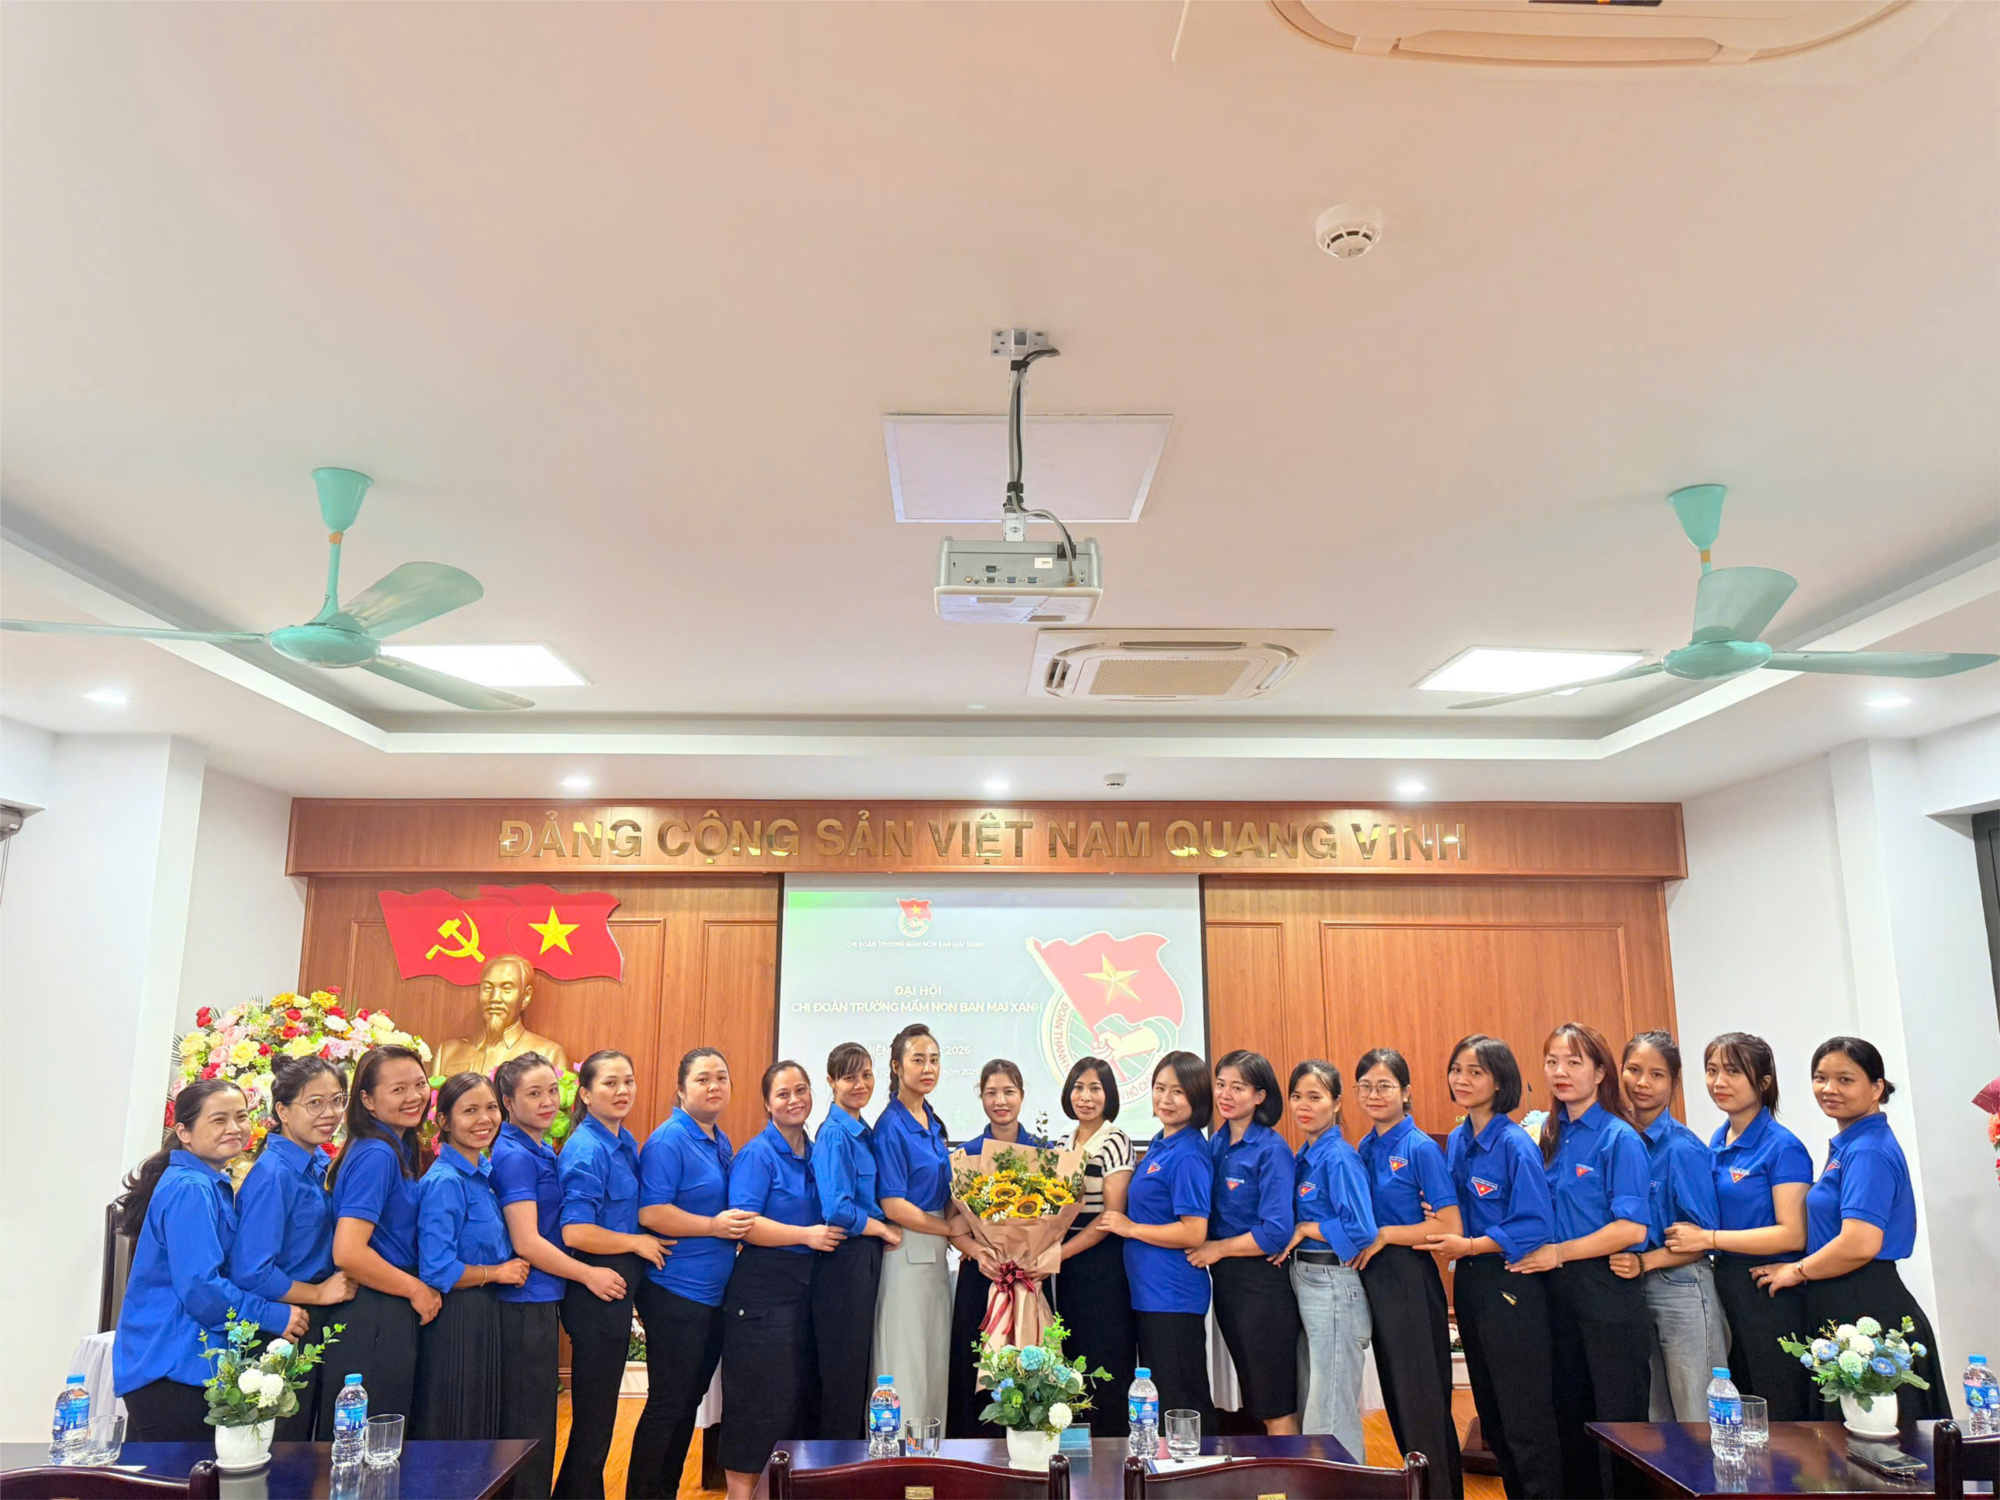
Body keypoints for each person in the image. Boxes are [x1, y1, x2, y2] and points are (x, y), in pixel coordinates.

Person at [1748, 1036, 1946, 1422]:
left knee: (1874, 1439)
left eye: (1845, 1079)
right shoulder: (1852, 1143)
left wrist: (1796, 1270)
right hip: (1840, 1298)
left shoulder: (1868, 1149)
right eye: (1820, 1078)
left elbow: (1859, 1243)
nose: (1829, 1089)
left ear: (1876, 1088)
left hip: (1865, 1303)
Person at [114, 1079, 312, 1441]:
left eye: (241, 1117)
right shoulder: (191, 1188)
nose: (234, 1128)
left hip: (181, 1364)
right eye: (219, 1120)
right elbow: (201, 1288)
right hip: (173, 1366)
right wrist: (274, 1315)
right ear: (183, 1132)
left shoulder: (205, 1182)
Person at [1515, 1024, 1650, 1500]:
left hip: (1605, 1290)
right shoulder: (1551, 1135)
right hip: (1556, 1294)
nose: (1561, 1072)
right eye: (1552, 1061)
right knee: (1570, 1419)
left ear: (1599, 1073)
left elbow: (1631, 1229)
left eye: (1574, 1063)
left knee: (1617, 1425)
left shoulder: (1618, 1137)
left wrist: (1559, 1253)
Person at [1426, 1035, 1561, 1500]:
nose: (1462, 1079)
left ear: (1500, 1081)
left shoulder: (1514, 1144)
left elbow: (1535, 1223)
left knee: (1525, 1420)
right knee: (1493, 1417)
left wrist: (1469, 1243)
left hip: (1511, 1283)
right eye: (1456, 1069)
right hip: (1470, 1281)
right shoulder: (1458, 1139)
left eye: (1476, 1072)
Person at [493, 1052, 626, 1500]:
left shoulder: (539, 1148)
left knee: (539, 1426)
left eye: (552, 1090)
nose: (548, 1101)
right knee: (527, 1429)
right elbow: (527, 1241)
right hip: (524, 1302)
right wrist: (588, 1274)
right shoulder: (514, 1155)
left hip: (542, 1298)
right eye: (534, 1094)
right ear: (508, 1102)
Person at [1663, 1032, 1813, 1420]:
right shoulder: (1718, 1138)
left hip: (1768, 1290)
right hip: (1726, 1283)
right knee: (1737, 1406)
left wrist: (1707, 1238)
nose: (1719, 1082)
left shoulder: (1783, 1146)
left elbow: (1793, 1232)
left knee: (1778, 1406)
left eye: (1733, 1071)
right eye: (1712, 1070)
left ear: (1763, 1081)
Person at [721, 1061, 846, 1500]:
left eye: (801, 1090)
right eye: (783, 1093)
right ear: (766, 1103)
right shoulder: (757, 1154)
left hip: (804, 1291)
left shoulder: (816, 1151)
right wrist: (805, 1235)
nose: (795, 1100)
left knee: (794, 1404)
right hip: (762, 1294)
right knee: (757, 1406)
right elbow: (744, 1225)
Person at [553, 1050, 672, 1500]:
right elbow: (576, 1231)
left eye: (629, 1081)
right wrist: (636, 1243)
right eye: (610, 1083)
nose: (623, 1091)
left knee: (598, 1421)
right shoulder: (587, 1148)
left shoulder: (623, 1141)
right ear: (585, 1094)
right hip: (597, 1284)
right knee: (594, 1421)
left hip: (619, 1281)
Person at [227, 1055, 358, 1441]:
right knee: (277, 1445)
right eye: (314, 1103)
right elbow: (251, 1271)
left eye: (337, 1100)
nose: (330, 1113)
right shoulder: (274, 1174)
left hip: (307, 1319)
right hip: (281, 1326)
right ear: (282, 1111)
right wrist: (318, 1293)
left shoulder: (313, 1163)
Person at [1352, 1047, 1463, 1500]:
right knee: (1399, 1403)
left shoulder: (1420, 1148)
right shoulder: (1365, 1147)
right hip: (1376, 1279)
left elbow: (1449, 1226)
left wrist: (1385, 1235)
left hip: (1410, 1279)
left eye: (1385, 1086)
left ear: (1406, 1092)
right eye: (1365, 1086)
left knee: (1422, 1406)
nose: (1374, 1094)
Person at [635, 1049, 746, 1500]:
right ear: (681, 1089)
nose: (713, 1086)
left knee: (687, 1403)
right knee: (668, 1405)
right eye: (702, 1079)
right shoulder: (668, 1141)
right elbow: (652, 1212)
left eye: (721, 1077)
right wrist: (713, 1226)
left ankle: (664, 1491)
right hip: (675, 1293)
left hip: (712, 1295)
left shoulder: (718, 1138)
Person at [1097, 1050, 1216, 1431]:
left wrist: (1131, 1228)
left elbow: (1194, 1231)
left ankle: (1201, 1467)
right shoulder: (1162, 1143)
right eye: (1160, 1088)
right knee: (1161, 1400)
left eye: (1178, 1091)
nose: (1166, 1099)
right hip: (1149, 1294)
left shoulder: (1189, 1155)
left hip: (1173, 1295)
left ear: (1197, 1098)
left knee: (1182, 1400)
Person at [324, 1044, 437, 1437]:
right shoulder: (377, 1154)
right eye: (398, 1089)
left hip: (386, 1304)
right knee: (370, 1444)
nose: (414, 1096)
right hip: (374, 1313)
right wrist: (416, 1289)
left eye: (419, 1084)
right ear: (368, 1100)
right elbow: (348, 1251)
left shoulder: (396, 1146)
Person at [1616, 1031, 1730, 1422]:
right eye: (1634, 1070)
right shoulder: (1618, 1139)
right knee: (1657, 1416)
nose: (1642, 1083)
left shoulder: (1682, 1147)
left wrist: (1645, 1263)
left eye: (1657, 1075)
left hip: (1680, 1283)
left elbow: (1704, 1237)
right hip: (1633, 1283)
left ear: (1674, 1083)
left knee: (1697, 1411)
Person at [412, 1073, 529, 1440]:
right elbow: (437, 1269)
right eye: (470, 1111)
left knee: (479, 1425)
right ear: (443, 1121)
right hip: (455, 1319)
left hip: (483, 1313)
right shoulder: (445, 1181)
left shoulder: (483, 1174)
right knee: (455, 1427)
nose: (484, 1119)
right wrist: (497, 1273)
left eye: (491, 1108)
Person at [1190, 1050, 1299, 1434]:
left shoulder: (1271, 1149)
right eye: (1221, 1084)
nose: (1225, 1094)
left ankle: (1287, 1473)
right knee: (1254, 1399)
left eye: (1238, 1087)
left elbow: (1276, 1231)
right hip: (1228, 1284)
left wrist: (1217, 1249)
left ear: (1260, 1096)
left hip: (1261, 1286)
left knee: (1274, 1403)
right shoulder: (1215, 1142)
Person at [1273, 1059, 1375, 1464]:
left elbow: (1362, 1230)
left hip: (1332, 1282)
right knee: (1315, 1399)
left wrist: (1307, 1228)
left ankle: (1346, 1487)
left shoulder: (1339, 1157)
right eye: (1297, 1096)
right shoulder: (1305, 1154)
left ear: (1336, 1102)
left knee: (1330, 1410)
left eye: (1315, 1097)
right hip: (1308, 1281)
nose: (1303, 1105)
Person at [947, 1058, 1050, 1437]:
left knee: (1030, 1368)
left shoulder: (1045, 1152)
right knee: (976, 1368)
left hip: (1029, 1279)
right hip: (983, 1278)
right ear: (980, 1096)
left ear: (1022, 1095)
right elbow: (954, 1227)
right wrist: (979, 1253)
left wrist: (1035, 1258)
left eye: (1009, 1092)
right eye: (991, 1092)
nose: (1000, 1101)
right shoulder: (966, 1155)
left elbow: (1055, 1224)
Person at [871, 1023, 963, 1431]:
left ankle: (930, 1453)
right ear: (896, 1066)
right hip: (907, 1251)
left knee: (933, 1361)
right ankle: (898, 1456)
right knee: (905, 1364)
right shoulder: (891, 1125)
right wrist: (950, 1230)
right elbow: (893, 1204)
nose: (928, 1068)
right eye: (918, 1060)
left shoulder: (931, 1120)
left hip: (935, 1254)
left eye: (934, 1060)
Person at [810, 1041, 901, 1438]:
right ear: (831, 1081)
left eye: (866, 1075)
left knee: (860, 1369)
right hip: (846, 1261)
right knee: (843, 1375)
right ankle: (837, 1465)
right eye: (849, 1077)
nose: (860, 1084)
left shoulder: (863, 1131)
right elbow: (837, 1209)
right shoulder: (835, 1134)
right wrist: (882, 1228)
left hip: (864, 1256)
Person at [1051, 1056, 1137, 1438]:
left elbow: (1110, 1217)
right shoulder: (1062, 1142)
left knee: (1104, 1356)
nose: (1085, 1097)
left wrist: (1061, 1253)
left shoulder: (1115, 1141)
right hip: (1066, 1264)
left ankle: (1112, 1448)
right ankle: (1075, 1448)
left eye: (1095, 1089)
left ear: (1109, 1095)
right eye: (1079, 1088)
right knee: (1071, 1358)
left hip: (1102, 1263)